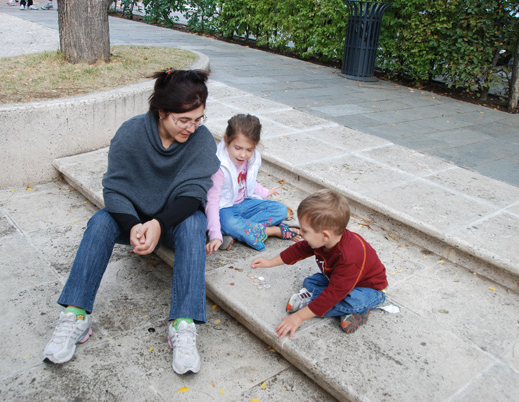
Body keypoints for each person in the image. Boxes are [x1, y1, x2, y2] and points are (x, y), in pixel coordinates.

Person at [42, 69, 220, 375]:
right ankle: (76, 316)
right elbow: (114, 189)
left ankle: (183, 323)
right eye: (184, 120)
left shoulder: (201, 141)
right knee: (100, 222)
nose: (192, 127)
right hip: (134, 219)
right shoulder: (130, 133)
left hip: (174, 220)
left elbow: (193, 195)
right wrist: (135, 224)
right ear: (162, 112)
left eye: (198, 118)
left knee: (194, 223)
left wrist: (160, 224)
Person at [251, 189, 388, 337]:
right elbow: (298, 250)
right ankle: (327, 305)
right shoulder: (323, 240)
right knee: (311, 281)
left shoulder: (349, 259)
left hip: (369, 290)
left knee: (349, 300)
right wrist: (270, 262)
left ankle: (355, 310)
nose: (300, 233)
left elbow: (333, 294)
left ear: (325, 235)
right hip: (340, 280)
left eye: (304, 230)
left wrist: (299, 317)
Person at [205, 114, 300, 255]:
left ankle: (241, 232)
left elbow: (246, 181)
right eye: (237, 148)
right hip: (225, 209)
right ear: (226, 141)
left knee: (280, 210)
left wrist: (264, 192)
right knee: (228, 222)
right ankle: (272, 231)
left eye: (249, 149)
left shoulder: (252, 159)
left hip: (245, 203)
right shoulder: (220, 166)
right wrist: (214, 234)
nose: (243, 155)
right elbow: (212, 201)